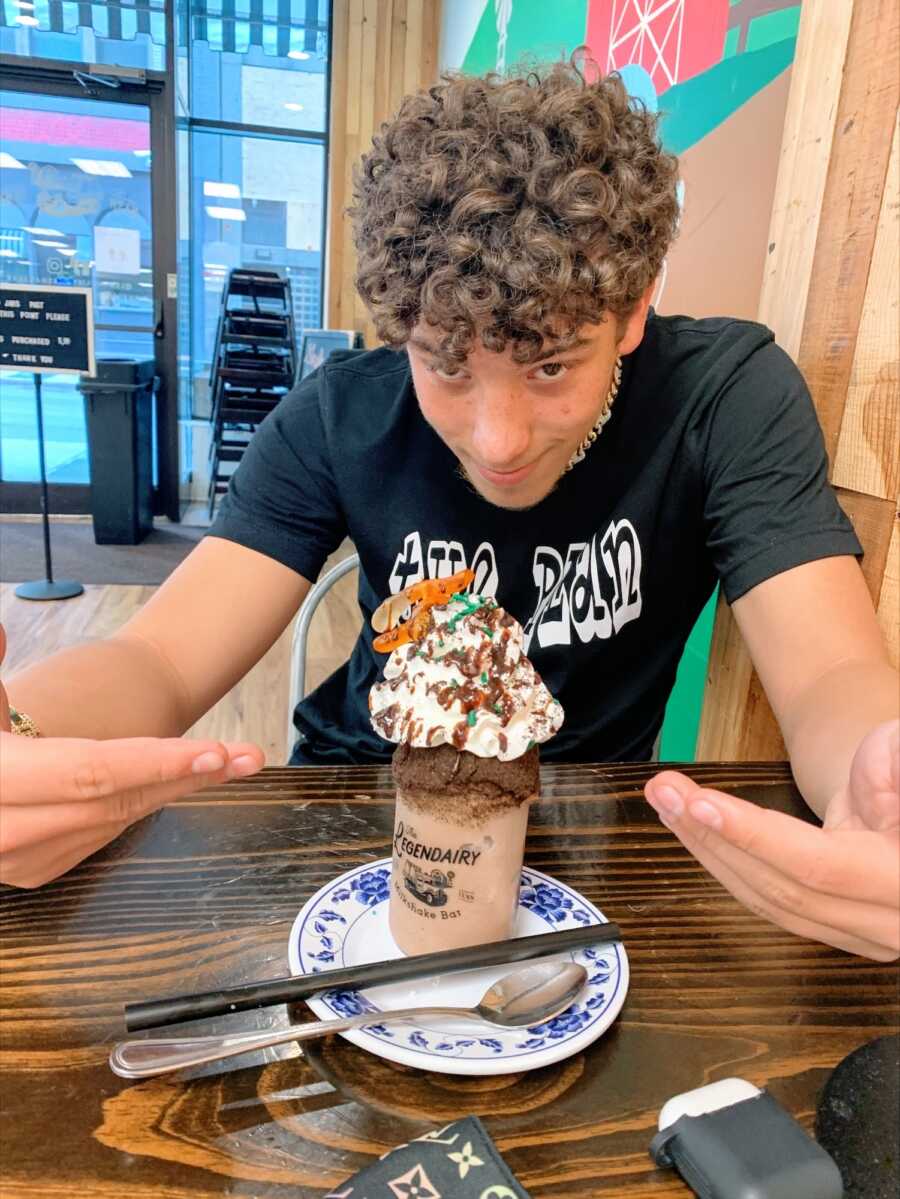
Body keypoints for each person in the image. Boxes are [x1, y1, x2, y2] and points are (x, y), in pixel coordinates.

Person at [2, 62, 897, 961]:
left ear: (632, 310)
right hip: (358, 807)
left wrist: (875, 780)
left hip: (597, 837)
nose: (498, 440)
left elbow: (829, 675)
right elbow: (158, 654)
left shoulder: (724, 399)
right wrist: (22, 735)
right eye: (447, 365)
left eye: (551, 366)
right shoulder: (339, 415)